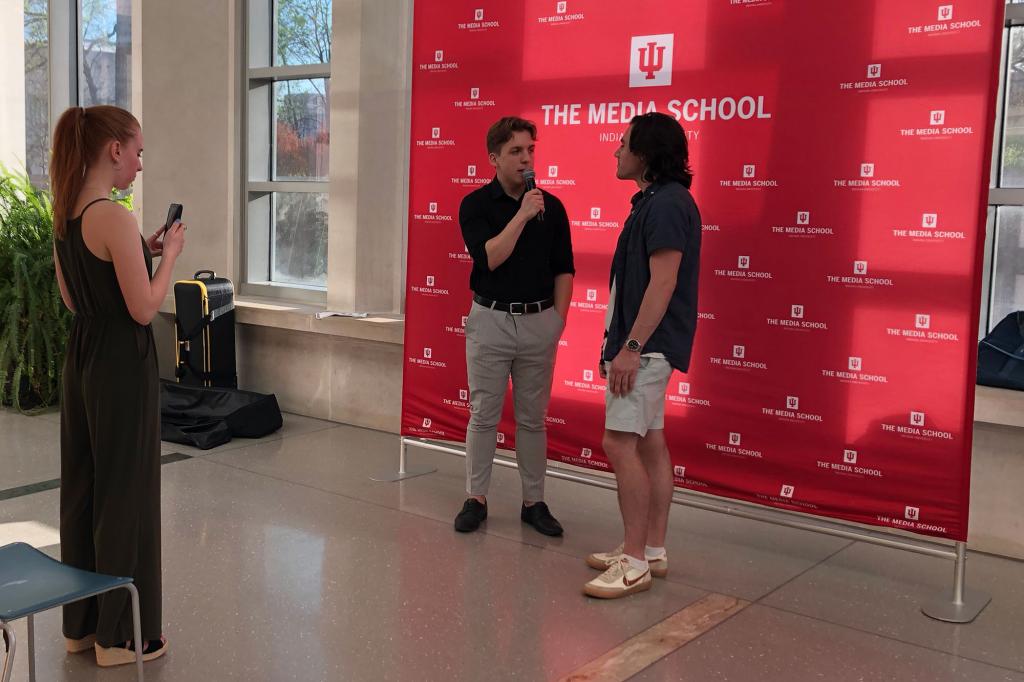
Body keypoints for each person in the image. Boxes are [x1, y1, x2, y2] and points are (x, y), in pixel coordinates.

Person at [50, 105, 186, 665]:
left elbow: (71, 297)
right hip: (120, 364)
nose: (139, 163)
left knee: (83, 485)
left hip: (82, 355)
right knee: (125, 492)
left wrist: (141, 252)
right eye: (137, 152)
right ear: (113, 151)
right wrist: (169, 257)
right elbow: (144, 306)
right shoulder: (114, 215)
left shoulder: (65, 212)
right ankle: (120, 637)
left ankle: (81, 627)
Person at [583, 112, 701, 599]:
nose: (616, 151)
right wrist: (615, 345)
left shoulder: (668, 205)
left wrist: (631, 348)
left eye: (624, 144)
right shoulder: (654, 202)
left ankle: (633, 563)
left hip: (648, 350)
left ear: (646, 155)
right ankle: (650, 549)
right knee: (650, 443)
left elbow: (665, 281)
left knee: (619, 444)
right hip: (641, 348)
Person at [455, 116, 575, 535]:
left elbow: (564, 269)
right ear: (494, 158)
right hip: (490, 320)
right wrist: (523, 214)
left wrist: (557, 322)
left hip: (539, 320)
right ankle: (476, 497)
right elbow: (490, 257)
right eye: (516, 152)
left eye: (530, 150)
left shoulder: (553, 207)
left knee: (532, 419)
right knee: (484, 414)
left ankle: (534, 502)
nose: (526, 159)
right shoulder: (475, 205)